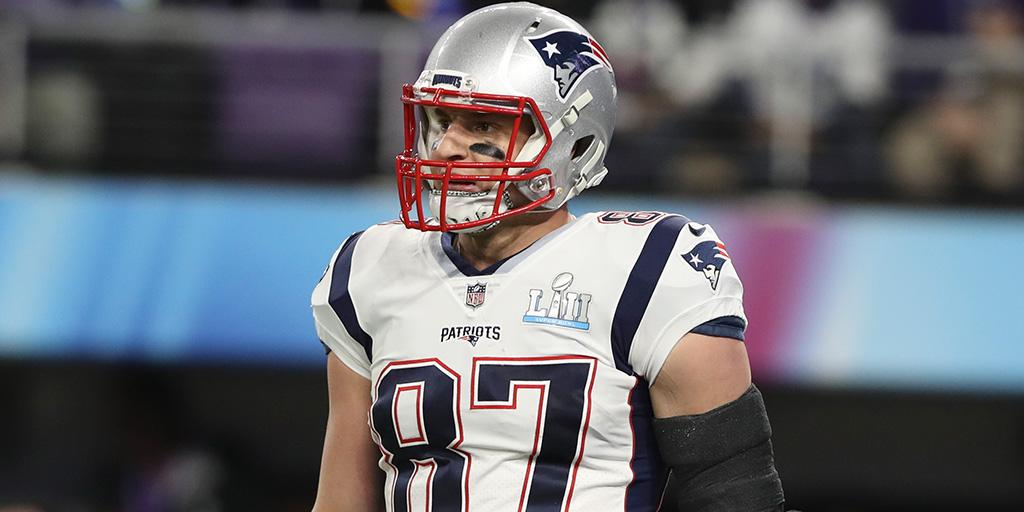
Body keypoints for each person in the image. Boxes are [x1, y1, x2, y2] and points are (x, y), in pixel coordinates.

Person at [310, 3, 785, 511]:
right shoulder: (372, 266)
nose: (446, 147)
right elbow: (342, 502)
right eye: (441, 119)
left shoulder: (650, 266)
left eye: (484, 126)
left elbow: (734, 495)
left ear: (574, 145)